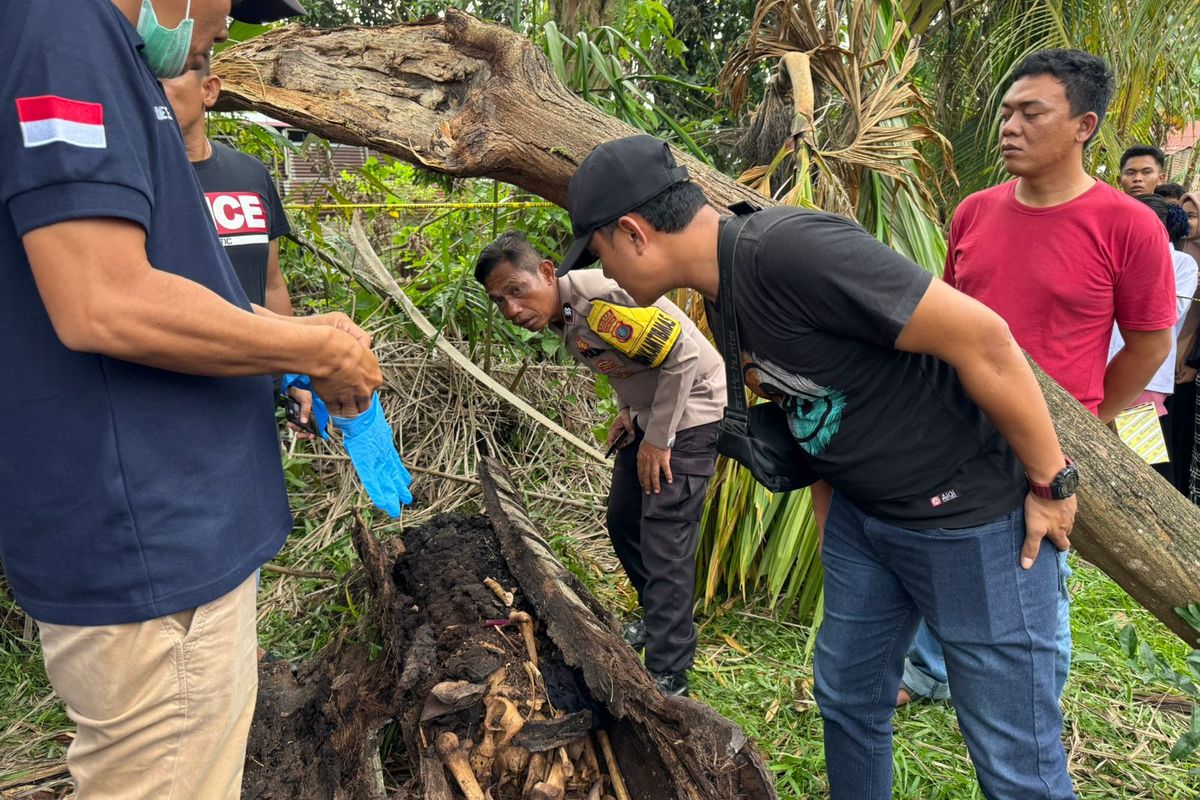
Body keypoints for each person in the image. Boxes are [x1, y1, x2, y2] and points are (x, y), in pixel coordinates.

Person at [559, 134, 1080, 798]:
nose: (600, 270)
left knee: (1014, 762)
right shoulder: (720, 286)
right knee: (849, 701)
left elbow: (984, 338)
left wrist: (1053, 480)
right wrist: (841, 533)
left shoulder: (790, 251)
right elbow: (815, 403)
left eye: (597, 250)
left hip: (967, 521)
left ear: (631, 232)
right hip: (866, 522)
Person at [0, 1, 375, 798]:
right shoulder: (63, 28)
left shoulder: (98, 51)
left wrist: (288, 350)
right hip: (152, 547)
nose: (230, 22)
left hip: (160, 535)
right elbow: (102, 296)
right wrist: (315, 347)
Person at [903, 50, 1175, 707]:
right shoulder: (974, 211)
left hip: (1048, 439)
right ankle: (932, 670)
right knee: (946, 547)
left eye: (1031, 113)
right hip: (955, 422)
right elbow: (950, 316)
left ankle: (1034, 700)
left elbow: (1148, 344)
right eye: (1006, 113)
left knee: (1033, 560)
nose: (1010, 127)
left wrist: (1087, 419)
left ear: (1083, 125)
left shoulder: (1128, 224)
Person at [475, 231, 725, 696]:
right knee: (623, 519)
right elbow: (628, 361)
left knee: (664, 533)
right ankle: (657, 618)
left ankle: (670, 671)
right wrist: (629, 412)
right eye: (498, 300)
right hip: (650, 415)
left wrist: (659, 438)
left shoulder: (598, 304)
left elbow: (685, 356)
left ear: (547, 272)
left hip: (690, 411)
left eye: (516, 290)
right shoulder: (563, 315)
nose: (511, 309)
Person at [1106, 193, 1196, 484]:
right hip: (1101, 366)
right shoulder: (1114, 255)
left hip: (1144, 376)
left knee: (1143, 466)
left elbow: (1169, 310)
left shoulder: (1182, 263)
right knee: (1103, 453)